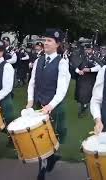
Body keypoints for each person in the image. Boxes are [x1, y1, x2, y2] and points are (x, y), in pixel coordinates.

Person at [26, 29, 71, 180]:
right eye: (45, 40)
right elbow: (32, 82)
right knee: (41, 138)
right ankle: (46, 164)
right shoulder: (39, 60)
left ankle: (48, 162)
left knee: (51, 137)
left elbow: (62, 89)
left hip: (54, 106)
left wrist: (50, 106)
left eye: (50, 41)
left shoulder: (62, 63)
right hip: (39, 105)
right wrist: (30, 101)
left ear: (57, 44)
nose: (46, 43)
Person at [72, 43, 102, 118]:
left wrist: (90, 69)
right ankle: (82, 108)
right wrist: (78, 71)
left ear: (92, 50)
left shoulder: (94, 58)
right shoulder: (81, 57)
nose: (87, 51)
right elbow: (74, 65)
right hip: (81, 79)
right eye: (86, 49)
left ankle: (85, 108)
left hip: (90, 79)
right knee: (80, 95)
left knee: (87, 95)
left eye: (89, 49)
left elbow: (100, 67)